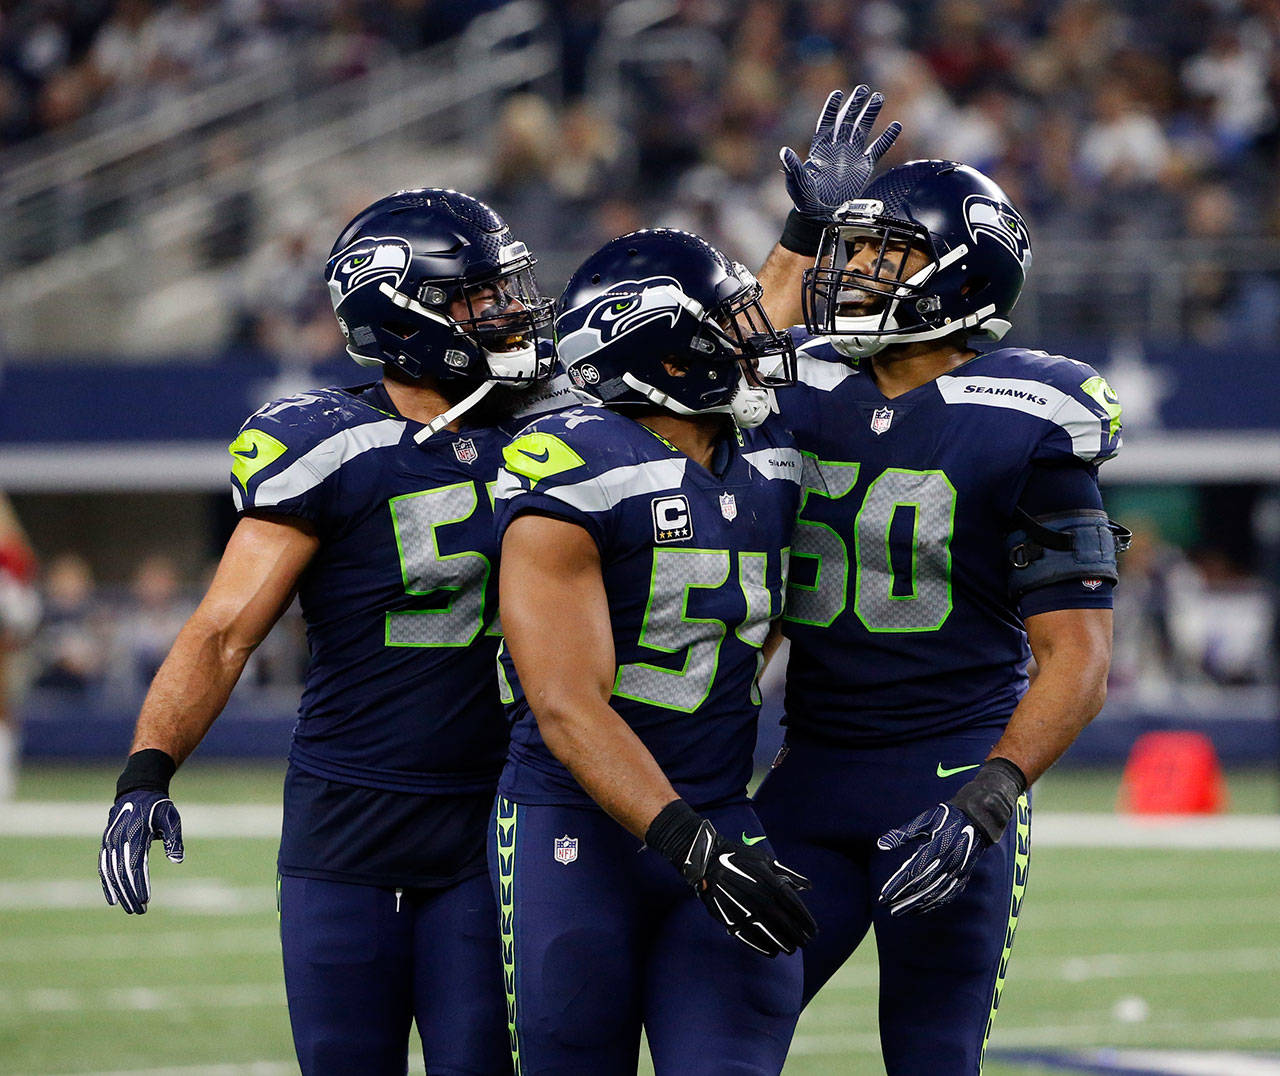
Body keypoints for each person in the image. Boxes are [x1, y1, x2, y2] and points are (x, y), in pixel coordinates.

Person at [97, 188, 577, 1075]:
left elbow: (692, 350)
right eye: (476, 297)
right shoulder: (330, 442)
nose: (508, 313)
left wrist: (795, 242)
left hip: (494, 817)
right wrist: (145, 772)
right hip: (348, 823)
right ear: (403, 313)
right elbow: (223, 632)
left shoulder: (557, 429)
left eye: (505, 290)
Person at [753, 136, 1127, 1070]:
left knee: (931, 1052)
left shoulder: (1025, 418)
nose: (855, 271)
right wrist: (801, 232)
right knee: (722, 1028)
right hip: (811, 768)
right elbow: (727, 356)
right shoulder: (805, 382)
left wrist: (990, 798)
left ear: (964, 275)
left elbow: (1076, 657)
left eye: (888, 254)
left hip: (949, 777)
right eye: (856, 250)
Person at [491, 228, 816, 1074]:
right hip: (576, 831)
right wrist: (693, 847)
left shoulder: (768, 463)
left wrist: (803, 237)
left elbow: (760, 626)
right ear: (669, 356)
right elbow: (566, 705)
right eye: (729, 322)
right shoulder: (573, 466)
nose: (757, 337)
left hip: (718, 809)